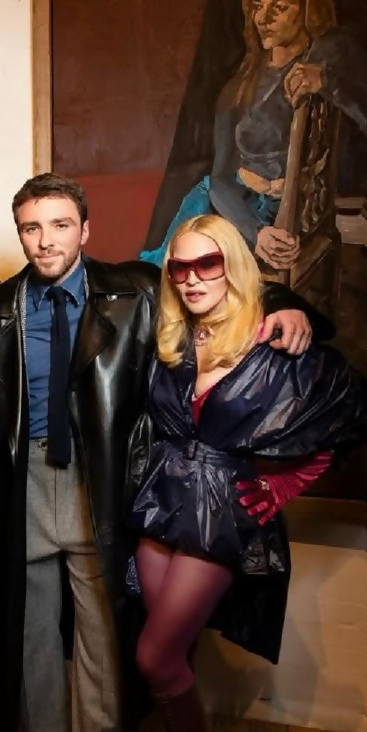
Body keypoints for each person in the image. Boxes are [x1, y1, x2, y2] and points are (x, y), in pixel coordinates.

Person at [0, 172, 327, 732]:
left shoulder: (134, 289)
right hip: (24, 479)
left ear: (85, 230)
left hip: (102, 476)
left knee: (103, 629)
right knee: (29, 627)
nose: (46, 240)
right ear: (19, 233)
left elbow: (209, 288)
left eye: (60, 225)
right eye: (31, 228)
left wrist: (283, 303)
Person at [128, 214, 366, 730]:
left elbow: (351, 410)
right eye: (180, 267)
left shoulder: (271, 336)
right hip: (159, 502)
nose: (192, 278)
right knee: (173, 651)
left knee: (155, 658)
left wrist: (285, 482)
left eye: (207, 263)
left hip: (218, 514)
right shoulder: (170, 336)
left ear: (232, 264)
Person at [140, 0, 367, 270]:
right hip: (232, 206)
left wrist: (327, 80)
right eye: (258, 6)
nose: (264, 18)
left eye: (279, 7)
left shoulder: (327, 59)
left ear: (309, 11)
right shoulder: (238, 88)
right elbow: (219, 179)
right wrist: (256, 232)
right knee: (175, 270)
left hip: (296, 213)